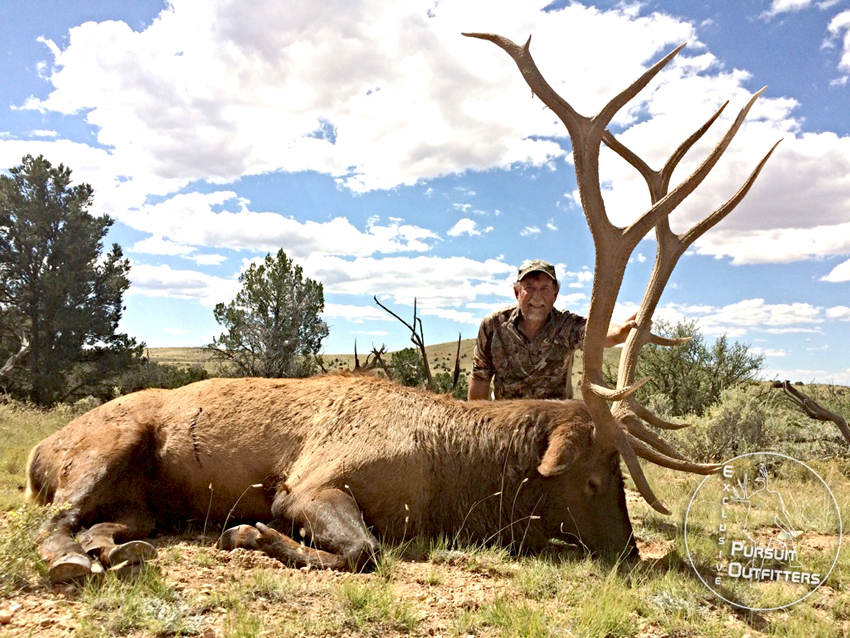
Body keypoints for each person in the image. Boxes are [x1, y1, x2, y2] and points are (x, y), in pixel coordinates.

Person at [468, 259, 637, 401]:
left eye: (544, 288)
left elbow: (595, 332)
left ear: (555, 294)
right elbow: (480, 380)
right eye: (529, 287)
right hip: (507, 422)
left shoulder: (566, 325)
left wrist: (619, 333)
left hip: (554, 422)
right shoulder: (493, 325)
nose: (537, 296)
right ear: (517, 292)